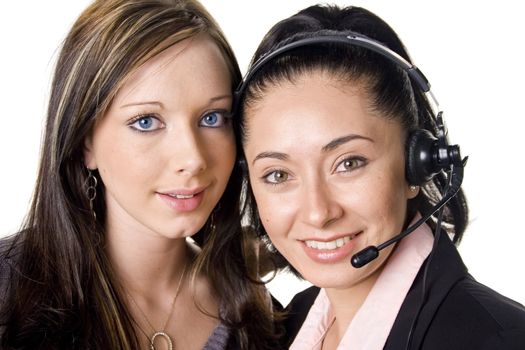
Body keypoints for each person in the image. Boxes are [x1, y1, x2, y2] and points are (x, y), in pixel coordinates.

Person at [234, 4, 525, 350]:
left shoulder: (502, 340)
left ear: (416, 164)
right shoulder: (287, 325)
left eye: (349, 163)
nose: (318, 212)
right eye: (278, 174)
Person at [0, 0, 279, 349]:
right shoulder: (8, 288)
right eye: (146, 122)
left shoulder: (257, 314)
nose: (192, 158)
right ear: (85, 141)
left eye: (212, 118)